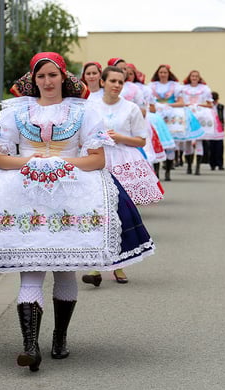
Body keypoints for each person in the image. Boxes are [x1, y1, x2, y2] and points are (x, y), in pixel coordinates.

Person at [0, 52, 154, 372]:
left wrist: (60, 163)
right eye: (41, 76)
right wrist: (30, 163)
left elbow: (97, 160)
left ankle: (59, 337)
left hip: (73, 192)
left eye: (52, 75)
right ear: (33, 80)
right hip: (23, 193)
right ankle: (30, 346)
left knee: (64, 268)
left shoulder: (83, 111)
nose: (47, 82)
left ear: (63, 77)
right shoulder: (16, 111)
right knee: (29, 267)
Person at [83, 65, 163, 286]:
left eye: (120, 82)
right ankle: (97, 267)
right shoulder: (90, 106)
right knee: (97, 212)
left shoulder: (131, 108)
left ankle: (119, 264)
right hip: (97, 159)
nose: (117, 85)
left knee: (119, 214)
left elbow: (141, 140)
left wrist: (119, 137)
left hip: (123, 161)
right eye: (113, 81)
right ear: (103, 82)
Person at [148, 64, 203, 178]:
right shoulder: (152, 86)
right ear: (157, 74)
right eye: (161, 72)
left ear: (169, 74)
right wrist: (158, 106)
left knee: (170, 145)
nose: (163, 74)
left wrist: (167, 105)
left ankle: (168, 171)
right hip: (157, 113)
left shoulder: (175, 86)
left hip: (171, 113)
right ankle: (157, 172)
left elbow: (181, 102)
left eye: (165, 72)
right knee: (157, 143)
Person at [181, 70, 217, 175]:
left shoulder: (204, 89)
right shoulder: (184, 88)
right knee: (188, 140)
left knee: (199, 140)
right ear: (189, 77)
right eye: (192, 76)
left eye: (196, 76)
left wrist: (198, 105)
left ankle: (197, 167)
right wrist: (188, 106)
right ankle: (189, 166)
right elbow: (181, 102)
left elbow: (210, 104)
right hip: (187, 113)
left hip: (200, 114)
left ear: (199, 78)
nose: (194, 78)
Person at [210, 91, 225, 170]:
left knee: (220, 148)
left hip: (219, 128)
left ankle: (220, 164)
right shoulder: (208, 107)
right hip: (211, 129)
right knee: (212, 148)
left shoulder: (221, 107)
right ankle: (212, 164)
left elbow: (223, 117)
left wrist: (223, 127)